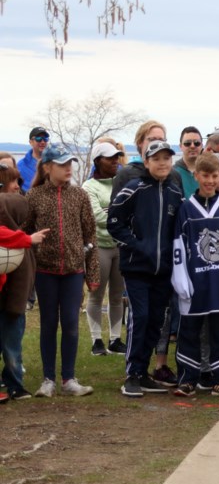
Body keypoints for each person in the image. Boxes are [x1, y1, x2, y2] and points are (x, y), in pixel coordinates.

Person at [109, 140, 184, 397]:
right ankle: (132, 374)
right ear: (147, 161)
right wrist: (136, 245)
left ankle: (143, 373)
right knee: (139, 318)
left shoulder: (175, 193)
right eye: (157, 158)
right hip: (136, 267)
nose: (163, 163)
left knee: (156, 321)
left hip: (163, 270)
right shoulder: (134, 188)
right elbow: (114, 222)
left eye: (167, 158)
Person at [170, 153, 219, 398]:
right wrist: (181, 279)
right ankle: (188, 378)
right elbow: (178, 246)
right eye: (206, 175)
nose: (211, 180)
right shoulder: (185, 209)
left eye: (215, 176)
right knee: (189, 332)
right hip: (194, 284)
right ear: (197, 176)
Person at [26, 143, 100, 397]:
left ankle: (69, 378)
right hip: (44, 271)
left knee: (70, 324)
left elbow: (91, 234)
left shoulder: (80, 195)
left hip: (73, 271)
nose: (68, 168)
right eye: (62, 164)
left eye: (70, 164)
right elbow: (25, 234)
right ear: (48, 167)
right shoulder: (34, 196)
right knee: (48, 323)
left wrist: (92, 273)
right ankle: (48, 379)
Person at [0, 164, 47, 401]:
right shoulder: (11, 208)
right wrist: (27, 239)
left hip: (14, 296)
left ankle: (14, 383)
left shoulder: (17, 209)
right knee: (9, 343)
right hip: (6, 291)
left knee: (12, 343)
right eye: (13, 182)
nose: (18, 188)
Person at [82, 142, 127, 357]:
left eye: (117, 157)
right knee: (96, 295)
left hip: (120, 246)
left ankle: (116, 339)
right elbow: (96, 217)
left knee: (117, 296)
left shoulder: (122, 183)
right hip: (100, 246)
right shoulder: (88, 187)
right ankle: (96, 339)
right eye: (110, 158)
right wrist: (118, 214)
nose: (115, 161)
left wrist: (110, 211)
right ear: (98, 161)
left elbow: (127, 213)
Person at [111, 120, 183, 201]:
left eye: (161, 140)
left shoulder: (174, 175)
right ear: (140, 142)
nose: (157, 143)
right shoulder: (125, 174)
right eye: (152, 139)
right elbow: (115, 210)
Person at [173, 127, 204, 198]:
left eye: (197, 143)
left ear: (202, 146)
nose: (192, 146)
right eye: (187, 143)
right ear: (180, 146)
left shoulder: (209, 172)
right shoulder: (172, 173)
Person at [16, 126, 49, 191]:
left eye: (45, 138)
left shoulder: (54, 163)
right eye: (38, 138)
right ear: (31, 142)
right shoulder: (20, 166)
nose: (42, 142)